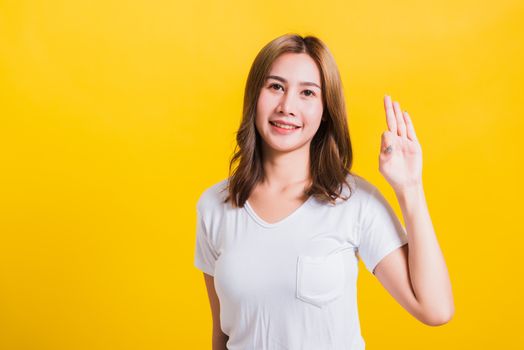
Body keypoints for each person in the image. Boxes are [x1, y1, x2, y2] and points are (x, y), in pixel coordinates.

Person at [193, 33, 454, 350]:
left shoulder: (355, 202)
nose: (287, 106)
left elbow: (436, 309)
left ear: (325, 110)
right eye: (275, 86)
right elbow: (222, 335)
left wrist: (409, 188)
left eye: (307, 93)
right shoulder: (214, 206)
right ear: (254, 96)